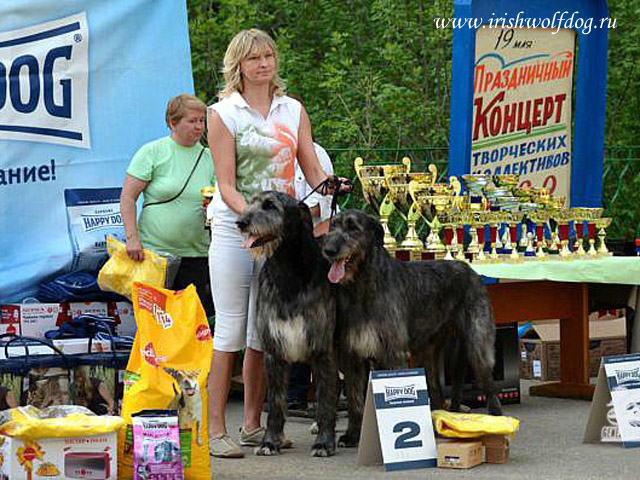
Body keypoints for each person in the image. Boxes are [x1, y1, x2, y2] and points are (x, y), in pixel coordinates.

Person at [206, 29, 350, 458]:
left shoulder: (293, 110)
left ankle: (253, 425)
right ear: (239, 65)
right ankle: (217, 430)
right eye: (254, 58)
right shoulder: (223, 113)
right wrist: (250, 223)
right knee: (230, 330)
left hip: (283, 235)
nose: (263, 63)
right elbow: (227, 184)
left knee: (260, 336)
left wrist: (330, 187)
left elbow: (310, 169)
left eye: (269, 55)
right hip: (238, 229)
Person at [120, 94, 215, 317]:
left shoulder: (210, 157)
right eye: (192, 121)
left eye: (202, 120)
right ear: (173, 123)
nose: (199, 126)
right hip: (155, 255)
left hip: (197, 254)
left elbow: (221, 199)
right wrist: (132, 238)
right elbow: (127, 197)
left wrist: (211, 207)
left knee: (191, 324)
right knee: (155, 322)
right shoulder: (152, 152)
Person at [287, 143, 337, 411]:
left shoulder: (317, 153)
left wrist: (288, 215)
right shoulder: (267, 151)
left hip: (314, 243)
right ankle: (294, 393)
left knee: (312, 316)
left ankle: (314, 394)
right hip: (284, 247)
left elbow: (323, 204)